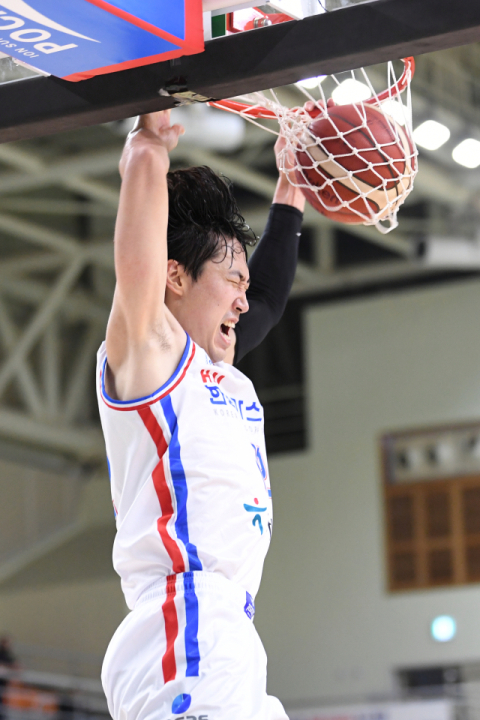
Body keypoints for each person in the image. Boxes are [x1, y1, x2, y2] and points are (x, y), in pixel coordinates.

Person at [97, 109, 305, 720]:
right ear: (176, 278)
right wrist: (148, 149)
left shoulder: (218, 368)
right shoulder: (152, 353)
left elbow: (269, 297)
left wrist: (292, 187)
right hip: (184, 624)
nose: (243, 300)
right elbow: (136, 266)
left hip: (225, 632)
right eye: (231, 280)